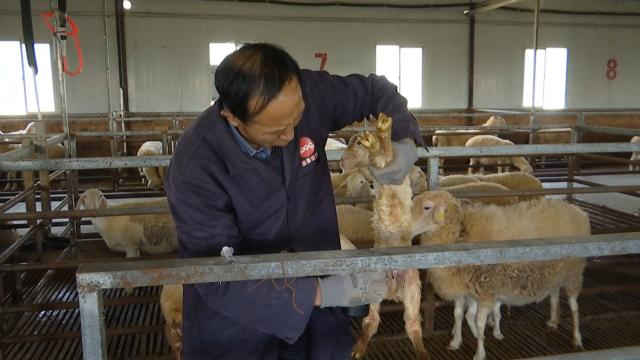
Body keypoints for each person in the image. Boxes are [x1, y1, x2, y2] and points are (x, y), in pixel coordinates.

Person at [164, 43, 423, 360]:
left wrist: (405, 137)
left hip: (320, 326)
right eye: (276, 130)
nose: (291, 134)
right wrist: (327, 292)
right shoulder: (196, 164)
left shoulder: (310, 92)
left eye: (297, 117)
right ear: (232, 117)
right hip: (239, 331)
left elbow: (374, 90)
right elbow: (214, 273)